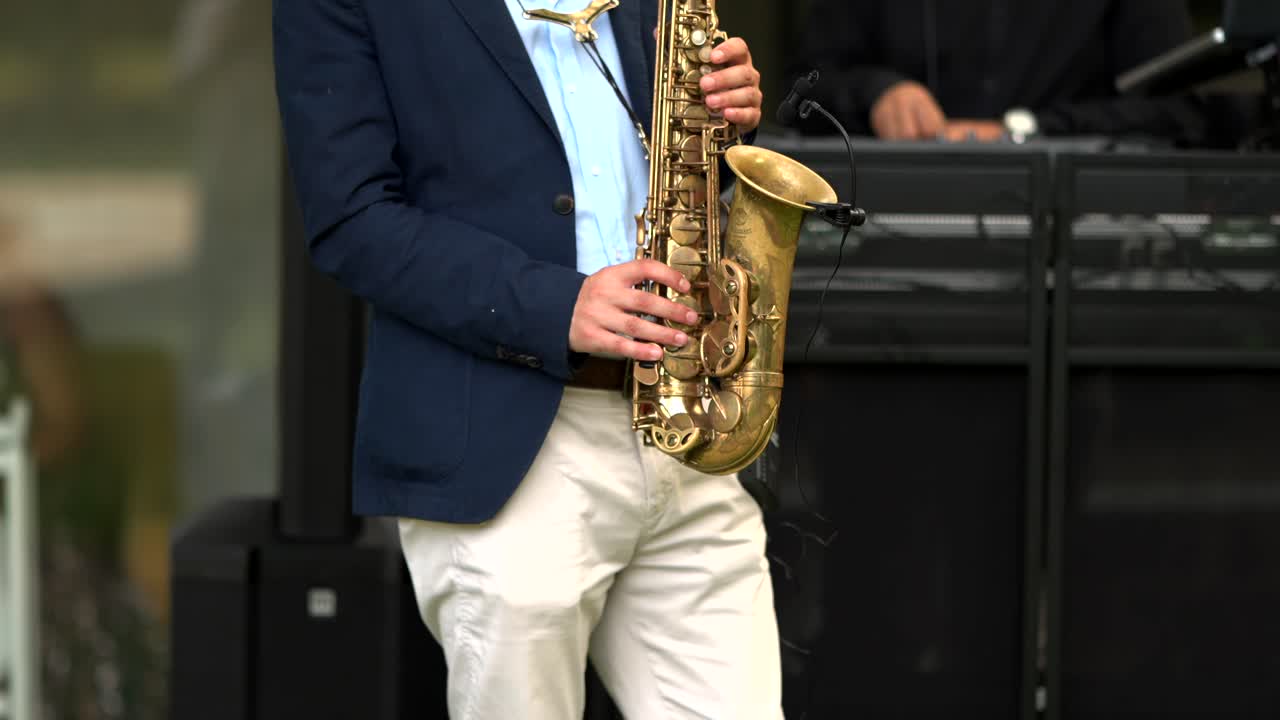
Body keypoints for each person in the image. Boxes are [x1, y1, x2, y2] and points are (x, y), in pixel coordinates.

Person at [272, 1, 778, 718]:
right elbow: (350, 221)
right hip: (506, 448)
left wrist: (721, 122)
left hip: (682, 424)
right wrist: (554, 306)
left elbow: (654, 149)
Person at [792, 0, 1210, 145]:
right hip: (894, 249)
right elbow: (799, 95)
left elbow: (1178, 110)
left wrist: (1026, 130)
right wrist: (877, 92)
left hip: (1082, 257)